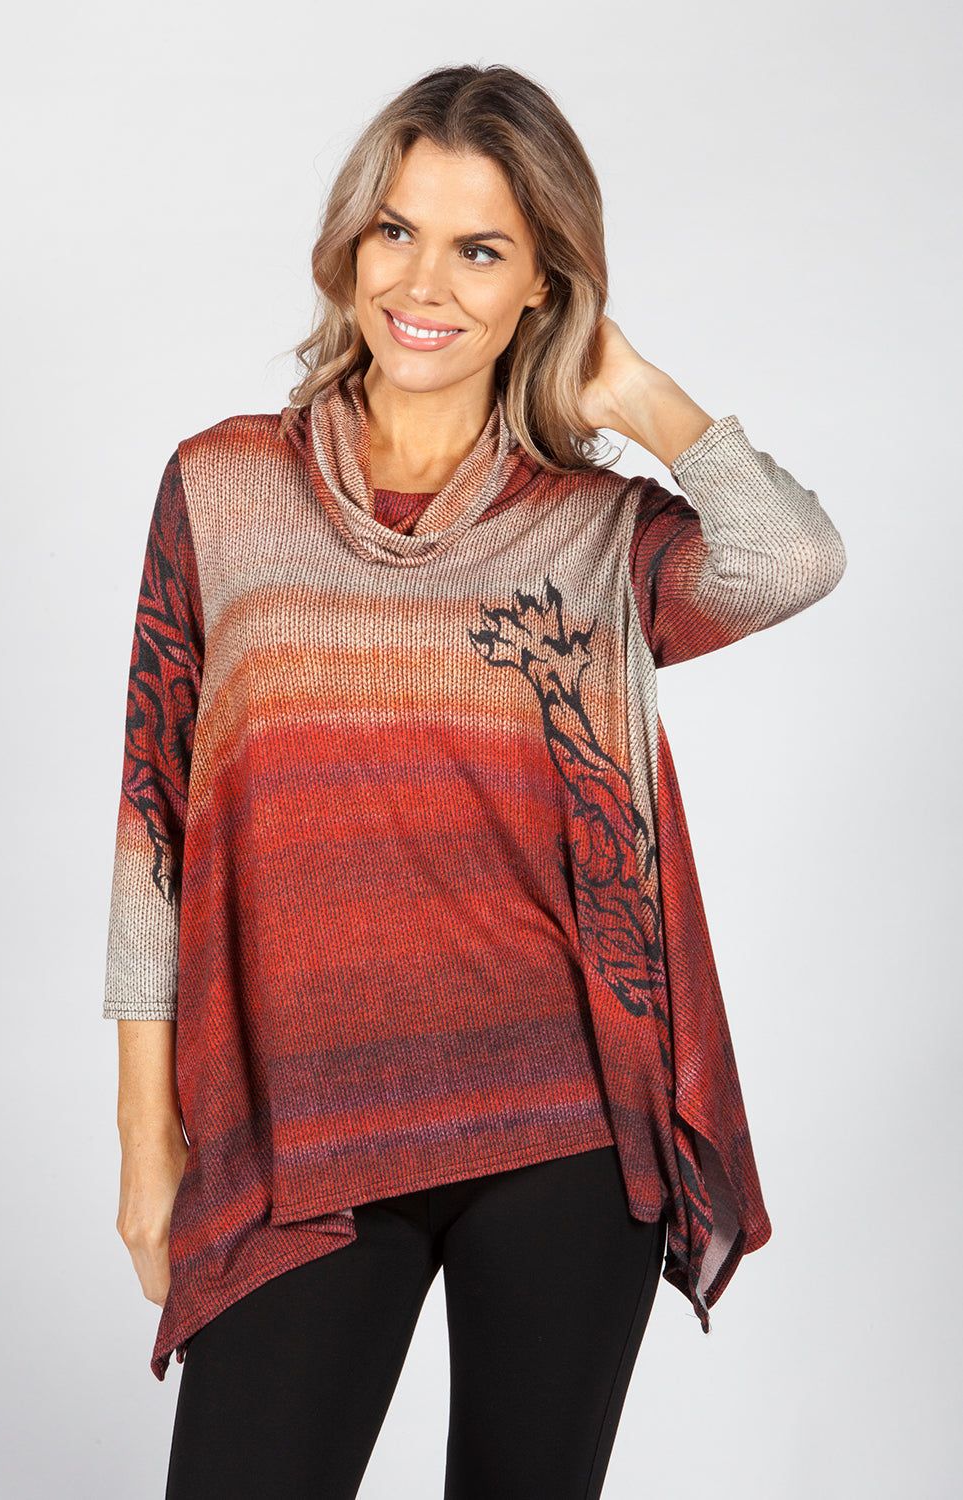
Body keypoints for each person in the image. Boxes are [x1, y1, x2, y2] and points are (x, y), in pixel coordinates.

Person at [104, 63, 847, 1499]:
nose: (422, 283)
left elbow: (793, 560)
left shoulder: (594, 531)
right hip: (301, 1131)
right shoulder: (223, 489)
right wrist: (147, 1141)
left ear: (541, 285)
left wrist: (632, 388)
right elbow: (154, 826)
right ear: (349, 244)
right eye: (395, 231)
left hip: (562, 1122)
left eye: (480, 249)